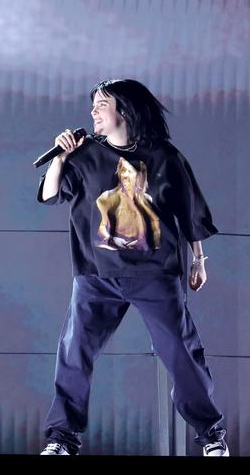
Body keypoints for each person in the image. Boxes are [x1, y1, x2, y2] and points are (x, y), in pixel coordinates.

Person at [37, 79, 228, 456]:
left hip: (155, 275)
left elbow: (189, 212)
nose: (93, 112)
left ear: (123, 110)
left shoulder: (164, 157)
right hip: (96, 275)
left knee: (181, 354)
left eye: (101, 105)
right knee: (74, 353)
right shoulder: (84, 155)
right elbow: (48, 194)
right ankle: (61, 438)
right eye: (93, 105)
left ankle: (212, 437)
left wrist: (200, 261)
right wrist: (60, 157)